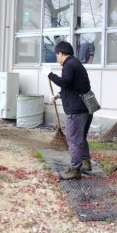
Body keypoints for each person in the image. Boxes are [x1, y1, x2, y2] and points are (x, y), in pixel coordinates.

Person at [46, 40, 93, 179]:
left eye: (57, 56)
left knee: (73, 139)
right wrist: (58, 95)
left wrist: (49, 74)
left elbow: (65, 82)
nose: (57, 59)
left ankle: (75, 169)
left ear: (61, 53)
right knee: (80, 137)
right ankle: (85, 163)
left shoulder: (69, 65)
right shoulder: (76, 63)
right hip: (85, 107)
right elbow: (74, 86)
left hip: (77, 110)